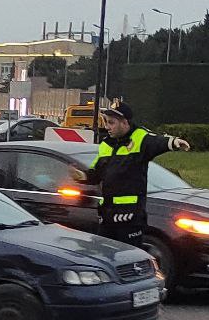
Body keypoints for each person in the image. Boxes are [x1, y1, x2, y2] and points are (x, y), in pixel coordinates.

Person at [71, 99, 191, 246]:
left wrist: (173, 142)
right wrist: (82, 176)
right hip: (107, 217)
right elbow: (97, 173)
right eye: (106, 122)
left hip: (130, 218)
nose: (107, 127)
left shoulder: (139, 138)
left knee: (129, 259)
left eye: (111, 123)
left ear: (125, 123)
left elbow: (156, 142)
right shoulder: (106, 145)